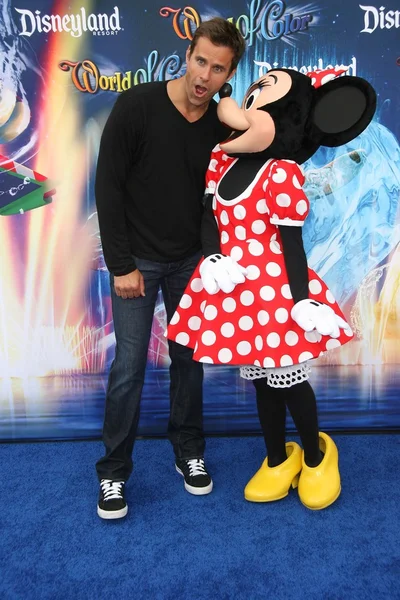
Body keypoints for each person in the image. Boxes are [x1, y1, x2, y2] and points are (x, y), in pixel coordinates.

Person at [168, 67, 376, 509]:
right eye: (250, 99)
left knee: (287, 378)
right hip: (235, 286)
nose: (242, 110)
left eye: (261, 105)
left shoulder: (281, 172)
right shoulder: (222, 164)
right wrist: (212, 256)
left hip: (276, 291)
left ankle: (318, 455)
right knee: (262, 381)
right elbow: (210, 220)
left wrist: (301, 301)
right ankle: (278, 457)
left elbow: (292, 245)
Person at [94, 17, 246, 519]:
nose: (205, 75)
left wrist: (212, 257)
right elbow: (108, 187)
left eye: (218, 68)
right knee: (129, 368)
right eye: (200, 60)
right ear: (187, 53)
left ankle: (189, 451)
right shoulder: (137, 104)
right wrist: (121, 265)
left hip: (190, 262)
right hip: (135, 261)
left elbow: (229, 190)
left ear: (229, 75)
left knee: (189, 362)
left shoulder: (224, 125)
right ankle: (113, 472)